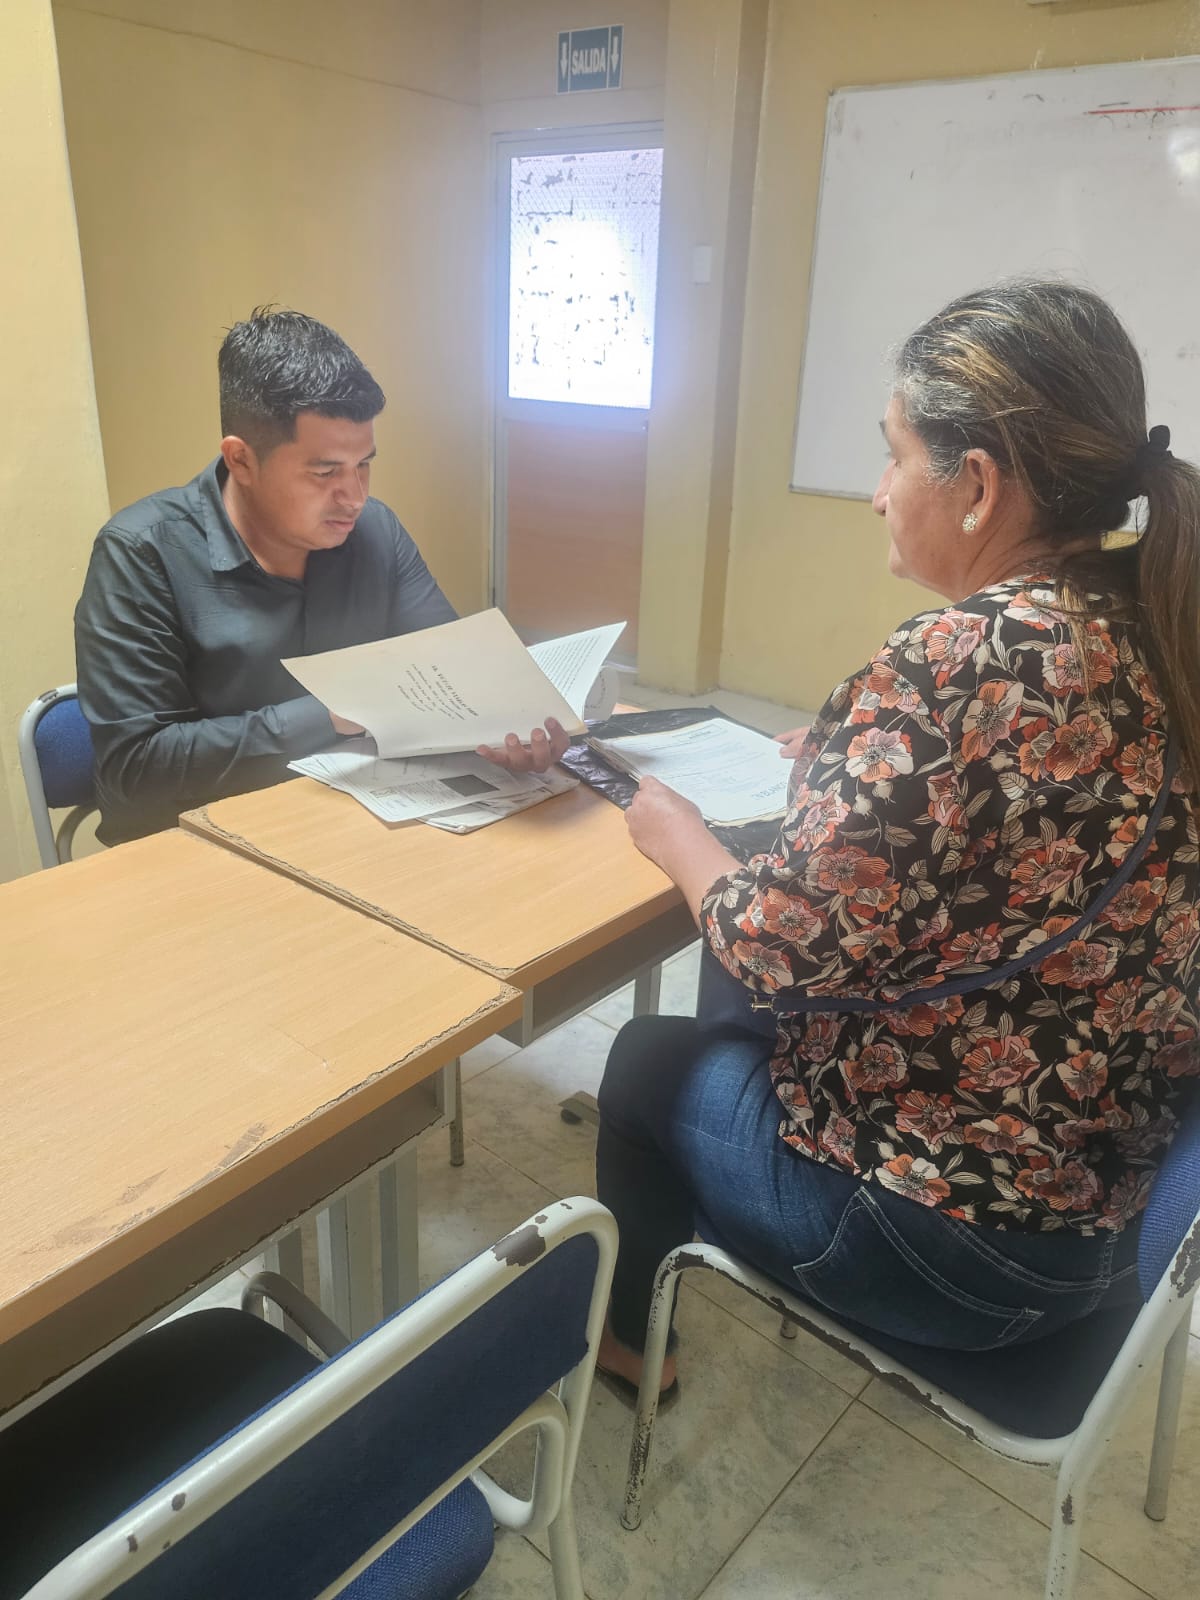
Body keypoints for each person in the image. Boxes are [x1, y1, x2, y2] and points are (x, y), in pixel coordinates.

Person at [595, 279, 1200, 1396]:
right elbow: (1036, 815)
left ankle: (634, 1349)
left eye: (894, 455)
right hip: (1102, 1226)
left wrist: (675, 833)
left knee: (643, 1059)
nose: (879, 494)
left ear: (977, 486)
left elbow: (775, 946)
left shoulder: (959, 657)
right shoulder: (1159, 619)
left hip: (949, 1247)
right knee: (743, 1015)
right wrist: (861, 767)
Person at [75, 308, 567, 845]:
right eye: (325, 471)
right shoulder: (141, 553)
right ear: (241, 460)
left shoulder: (375, 532)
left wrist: (504, 731)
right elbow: (136, 771)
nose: (354, 497)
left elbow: (451, 676)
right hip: (191, 847)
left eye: (364, 465)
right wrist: (333, 714)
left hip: (350, 824)